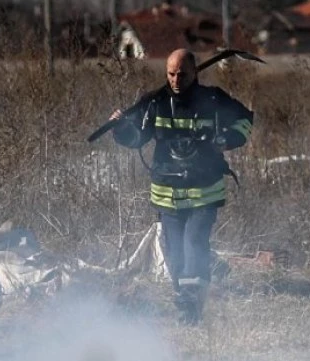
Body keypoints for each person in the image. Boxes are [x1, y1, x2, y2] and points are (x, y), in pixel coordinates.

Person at [109, 48, 254, 325]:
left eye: (182, 74)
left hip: (204, 191)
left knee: (194, 244)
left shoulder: (213, 99)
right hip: (167, 194)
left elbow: (246, 120)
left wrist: (224, 139)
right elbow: (137, 139)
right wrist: (119, 127)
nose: (176, 80)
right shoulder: (154, 103)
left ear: (194, 73)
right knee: (175, 252)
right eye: (171, 74)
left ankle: (192, 302)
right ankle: (185, 299)